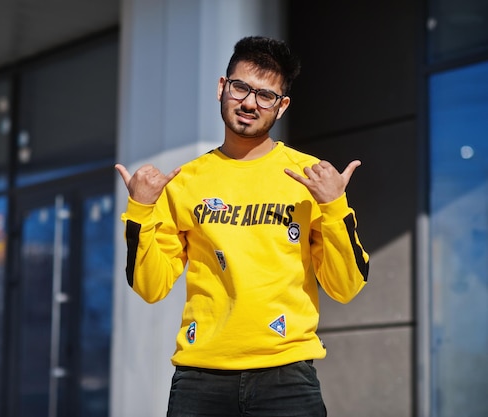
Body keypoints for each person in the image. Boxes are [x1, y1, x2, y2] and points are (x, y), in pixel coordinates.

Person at [115, 36, 369, 417]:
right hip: (200, 378)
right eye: (241, 88)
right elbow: (151, 287)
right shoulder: (184, 182)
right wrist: (141, 210)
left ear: (281, 106)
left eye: (265, 96)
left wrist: (334, 206)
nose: (250, 103)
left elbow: (345, 286)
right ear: (223, 87)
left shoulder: (311, 178)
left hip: (287, 375)